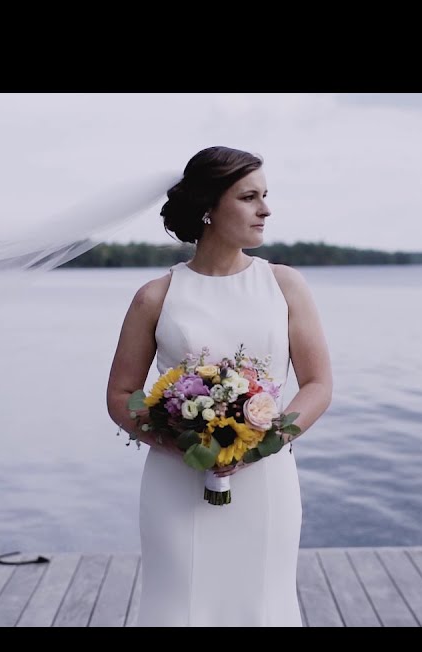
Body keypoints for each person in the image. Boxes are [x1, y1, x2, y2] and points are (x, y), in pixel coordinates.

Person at [105, 146, 333, 626]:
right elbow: (120, 394)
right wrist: (179, 440)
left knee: (263, 607)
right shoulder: (155, 297)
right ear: (209, 207)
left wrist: (264, 442)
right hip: (177, 479)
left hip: (267, 479)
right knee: (178, 607)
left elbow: (317, 383)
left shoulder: (285, 285)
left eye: (265, 196)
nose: (266, 209)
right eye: (250, 197)